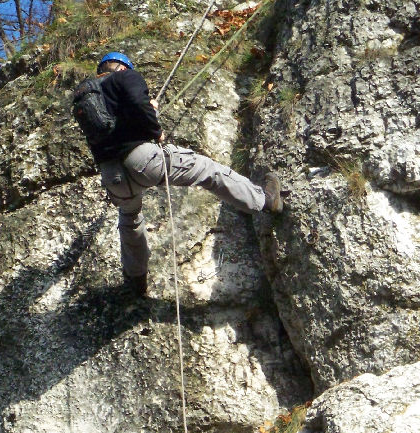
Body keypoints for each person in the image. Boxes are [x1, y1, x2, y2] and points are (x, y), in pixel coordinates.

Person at [87, 51, 283, 296]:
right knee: (207, 170)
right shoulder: (127, 77)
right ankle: (264, 199)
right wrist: (155, 129)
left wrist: (147, 111)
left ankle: (136, 279)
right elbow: (137, 105)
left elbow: (115, 126)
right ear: (124, 67)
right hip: (142, 160)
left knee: (130, 219)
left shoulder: (91, 96)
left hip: (113, 176)